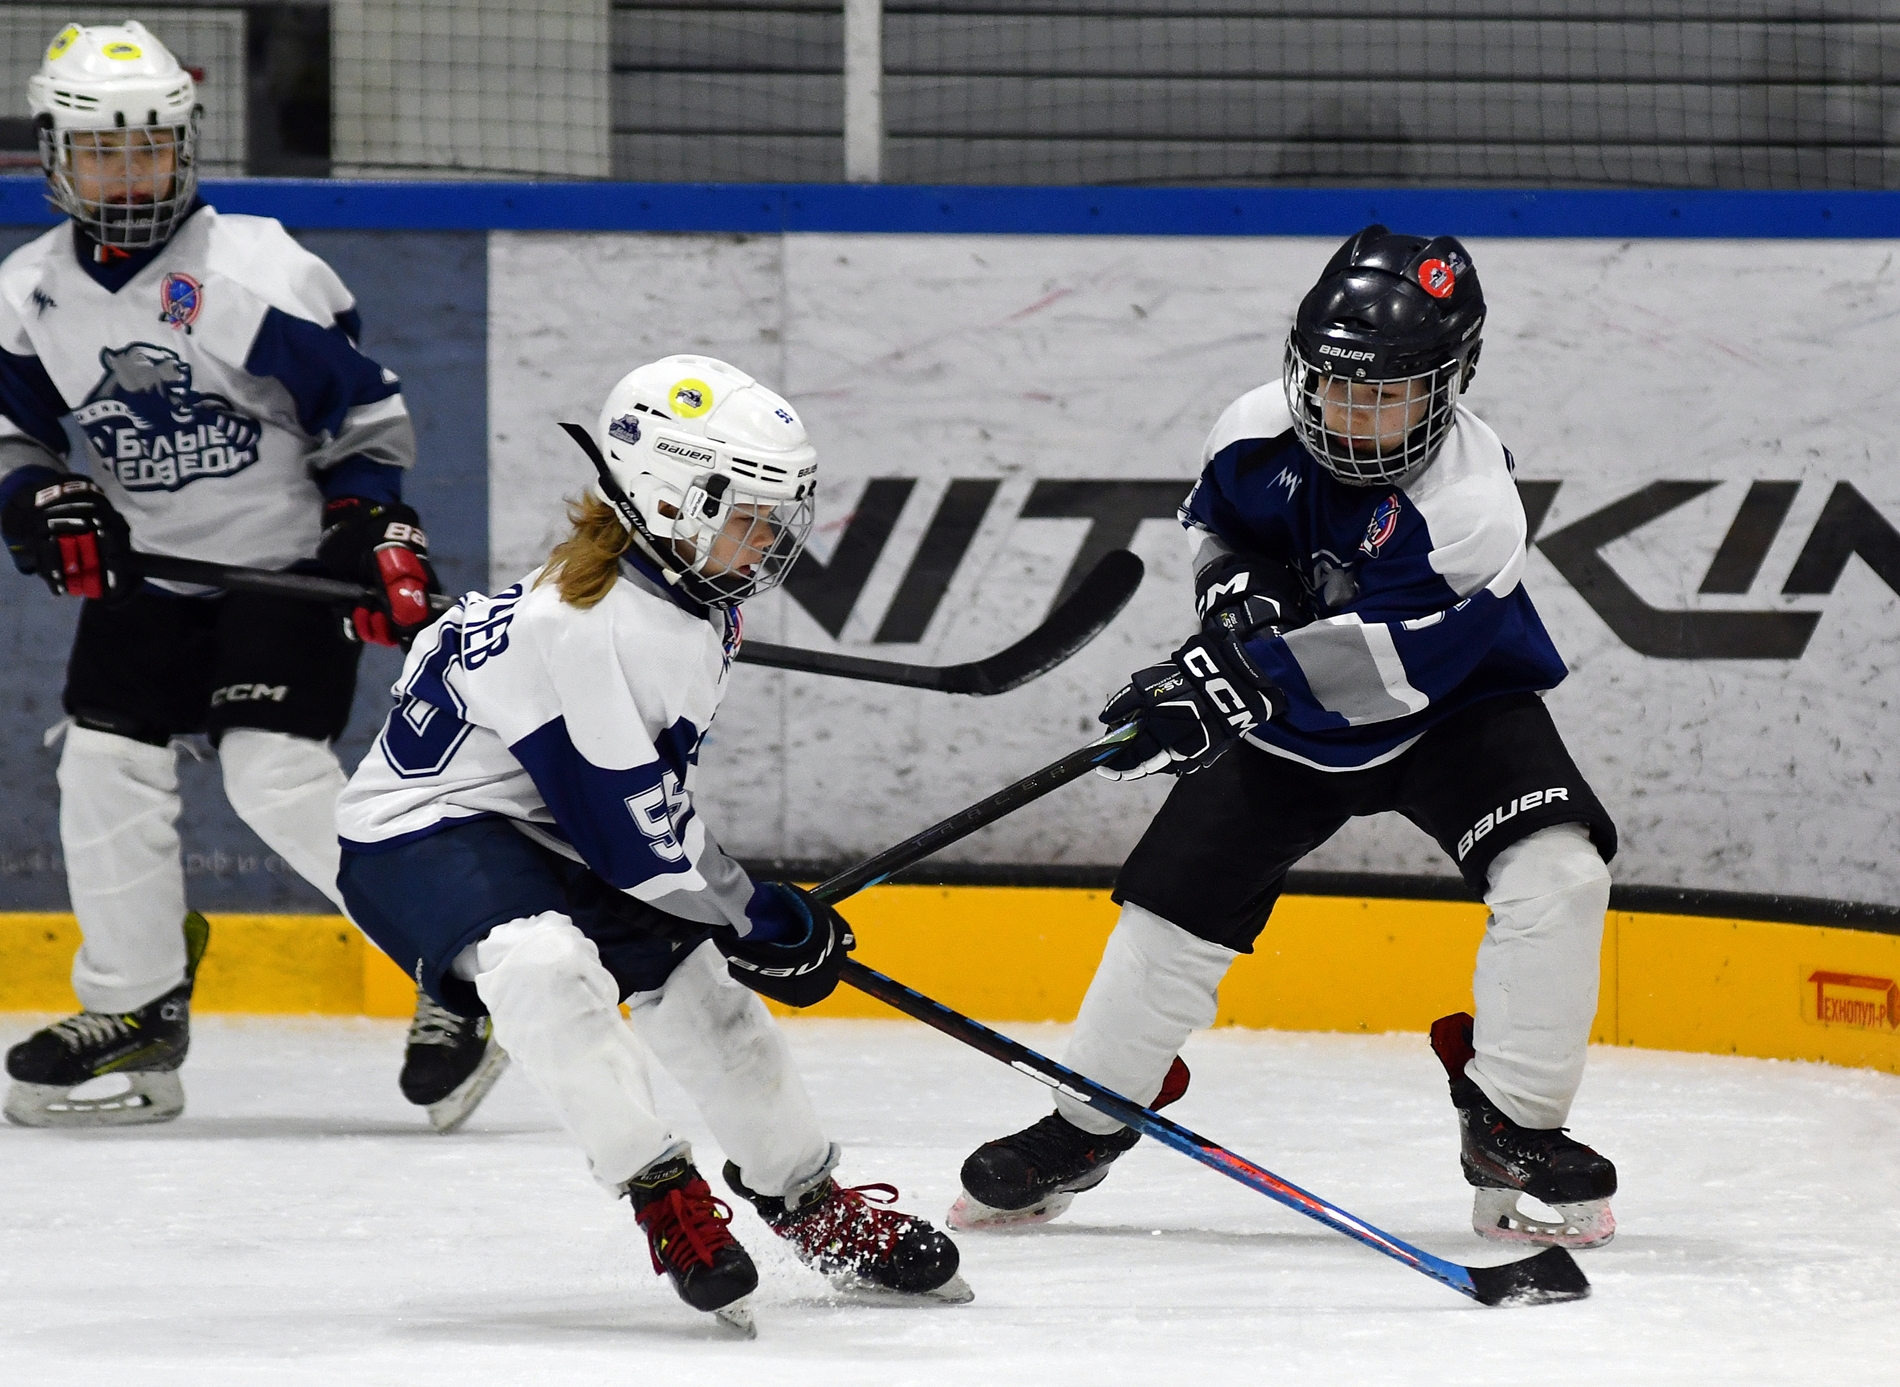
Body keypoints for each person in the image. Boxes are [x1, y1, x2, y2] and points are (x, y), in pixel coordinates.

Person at [952, 227, 1621, 1250]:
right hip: (1283, 721)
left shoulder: (1470, 507)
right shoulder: (1253, 431)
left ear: (1452, 380)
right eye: (1335, 386)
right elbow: (1215, 528)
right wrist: (1234, 590)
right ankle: (1085, 1117)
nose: (1352, 416)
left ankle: (1513, 1126)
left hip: (1454, 712)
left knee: (1557, 874)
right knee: (1167, 915)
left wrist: (1222, 682)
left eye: (1386, 394)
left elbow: (1387, 672)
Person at [333, 355, 968, 1333]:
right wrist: (762, 914)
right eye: (746, 511)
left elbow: (638, 811)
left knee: (709, 1002)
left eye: (775, 513)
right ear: (668, 500)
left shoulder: (693, 600)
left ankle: (807, 1196)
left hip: (553, 824)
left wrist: (744, 926)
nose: (769, 537)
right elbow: (634, 837)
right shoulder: (583, 623)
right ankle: (660, 1191)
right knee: (544, 966)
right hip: (422, 834)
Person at [0, 21, 492, 1130]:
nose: (128, 175)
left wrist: (373, 532)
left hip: (278, 575)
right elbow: (14, 437)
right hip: (146, 578)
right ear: (55, 156)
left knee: (274, 775)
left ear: (186, 146)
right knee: (100, 767)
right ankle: (135, 1010)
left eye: (150, 149)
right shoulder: (30, 291)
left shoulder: (257, 268)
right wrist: (32, 498)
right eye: (102, 152)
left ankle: (455, 975)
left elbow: (363, 421)